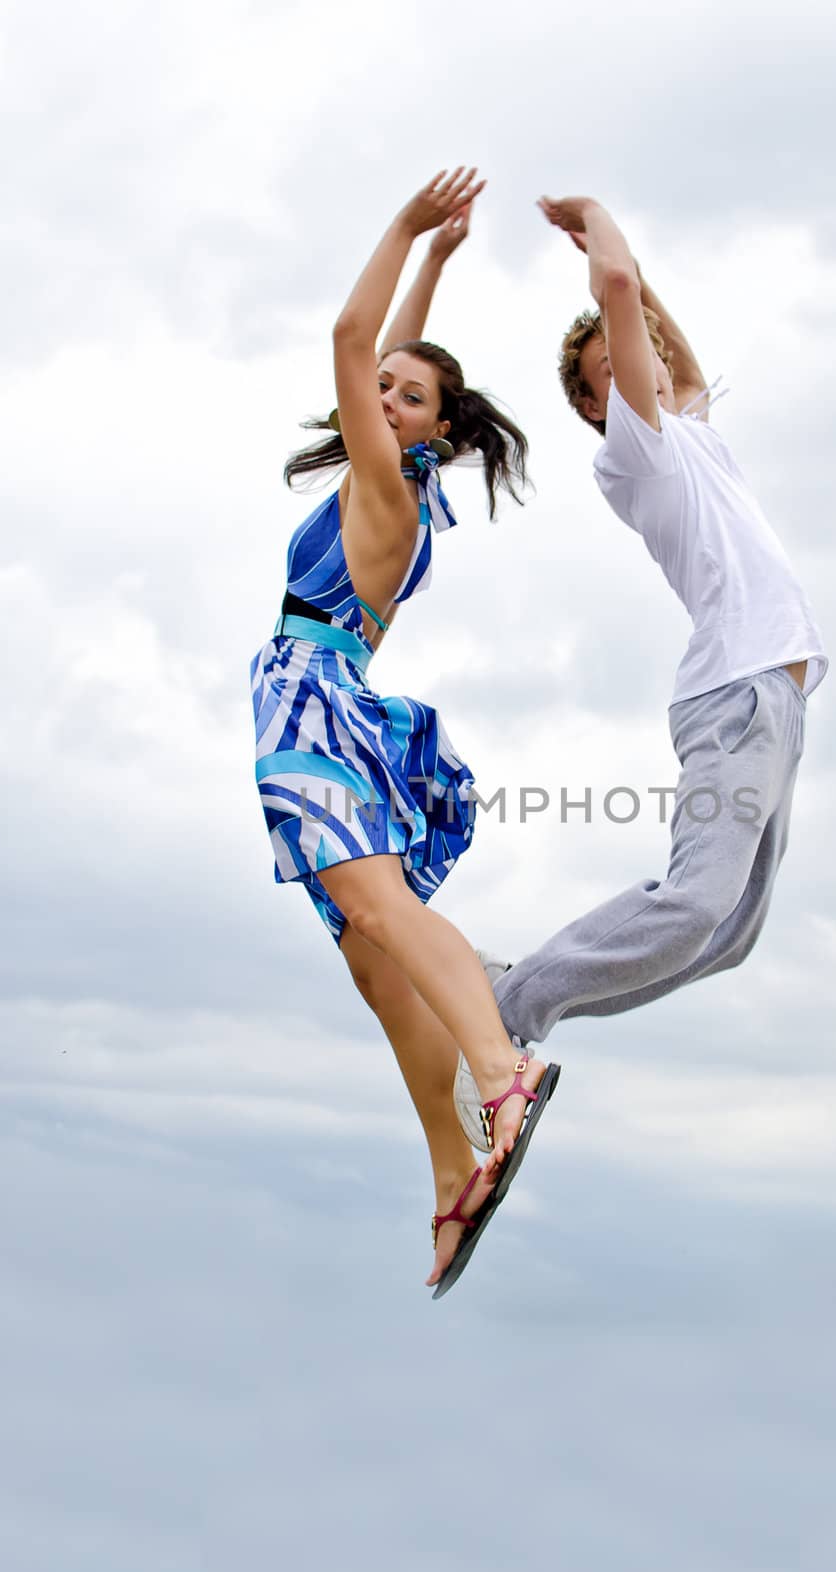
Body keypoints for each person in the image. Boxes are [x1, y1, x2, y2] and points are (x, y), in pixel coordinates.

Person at [457, 194, 827, 1135]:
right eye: (611, 367)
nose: (641, 363)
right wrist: (600, 227)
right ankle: (502, 1017)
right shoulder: (640, 456)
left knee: (728, 935)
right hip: (734, 695)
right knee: (695, 902)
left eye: (641, 353)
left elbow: (672, 349)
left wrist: (641, 298)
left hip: (776, 704)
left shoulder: (693, 432)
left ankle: (518, 1002)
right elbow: (618, 292)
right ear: (596, 403)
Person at [251, 170, 558, 1296]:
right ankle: (449, 1173)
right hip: (324, 695)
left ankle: (501, 1071)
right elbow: (387, 358)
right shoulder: (398, 487)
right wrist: (436, 264)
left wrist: (398, 226)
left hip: (316, 700)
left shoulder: (385, 487)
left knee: (383, 907)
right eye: (379, 387)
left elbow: (346, 334)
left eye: (404, 394)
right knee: (375, 969)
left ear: (433, 429)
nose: (380, 395)